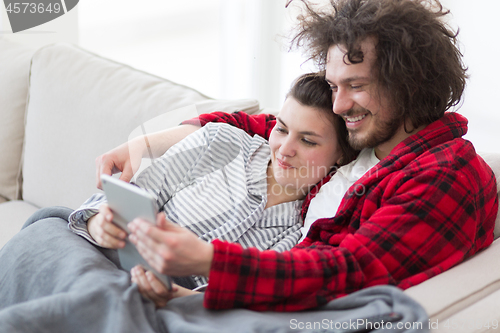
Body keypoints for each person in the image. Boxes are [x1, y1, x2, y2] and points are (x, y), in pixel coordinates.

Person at [97, 0, 498, 312]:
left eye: (355, 85)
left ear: (408, 85)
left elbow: (349, 271)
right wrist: (147, 144)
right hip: (253, 295)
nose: (339, 105)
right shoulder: (366, 141)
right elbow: (273, 126)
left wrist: (209, 262)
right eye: (333, 85)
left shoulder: (447, 175)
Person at [69, 72, 356, 304]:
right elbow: (125, 202)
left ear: (341, 155)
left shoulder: (304, 230)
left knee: (109, 301)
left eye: (307, 141)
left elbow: (242, 300)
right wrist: (98, 223)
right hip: (107, 252)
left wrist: (175, 298)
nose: (285, 149)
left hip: (159, 299)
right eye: (281, 129)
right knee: (48, 232)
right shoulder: (221, 140)